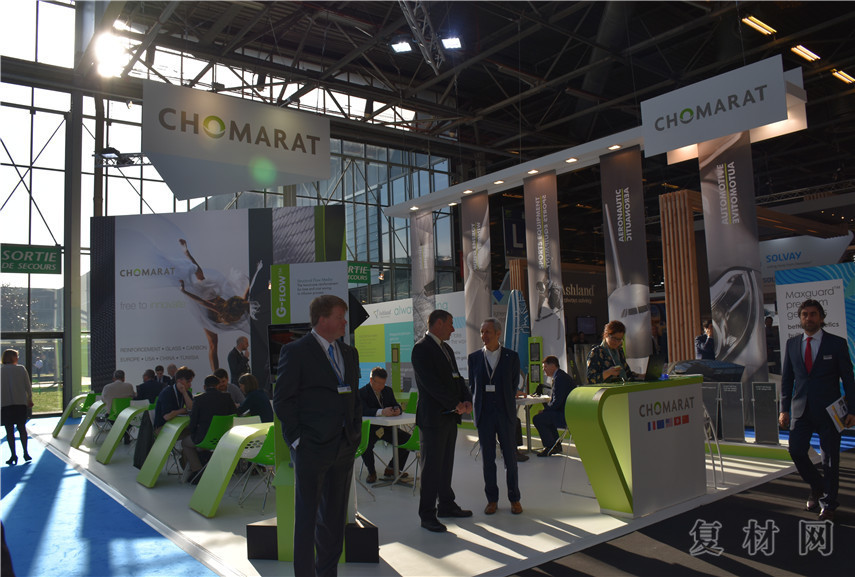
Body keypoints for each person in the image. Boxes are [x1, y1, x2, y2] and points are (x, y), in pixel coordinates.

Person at [272, 295, 361, 577]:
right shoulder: (296, 351)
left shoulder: (349, 353)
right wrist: (298, 440)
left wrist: (354, 434)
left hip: (343, 446)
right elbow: (282, 400)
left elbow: (354, 397)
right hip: (311, 448)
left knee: (334, 519)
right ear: (322, 319)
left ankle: (327, 573)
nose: (345, 323)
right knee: (307, 518)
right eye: (339, 317)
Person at [779, 299, 855, 522]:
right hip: (800, 410)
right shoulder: (792, 344)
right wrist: (784, 409)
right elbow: (787, 380)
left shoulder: (837, 344)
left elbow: (848, 378)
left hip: (829, 412)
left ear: (821, 318)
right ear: (800, 318)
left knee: (830, 459)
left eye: (813, 314)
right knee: (796, 451)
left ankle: (829, 504)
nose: (808, 318)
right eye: (805, 314)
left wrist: (852, 409)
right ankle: (817, 486)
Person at [411, 309, 473, 533]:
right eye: (450, 324)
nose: (453, 329)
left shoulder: (447, 349)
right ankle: (427, 514)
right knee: (431, 469)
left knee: (446, 465)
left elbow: (457, 378)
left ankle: (446, 504)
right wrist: (454, 403)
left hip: (449, 417)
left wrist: (466, 399)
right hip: (433, 419)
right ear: (438, 323)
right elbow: (430, 384)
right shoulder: (421, 349)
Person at [176, 238, 262, 371]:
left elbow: (246, 293)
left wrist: (184, 291)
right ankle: (187, 253)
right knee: (200, 276)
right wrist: (257, 271)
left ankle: (215, 373)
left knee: (213, 344)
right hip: (208, 307)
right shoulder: (224, 307)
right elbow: (202, 301)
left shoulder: (233, 312)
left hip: (212, 314)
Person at [468, 318, 523, 515]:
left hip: (505, 414)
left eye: (487, 332)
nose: (483, 335)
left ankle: (514, 499)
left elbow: (513, 384)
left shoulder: (511, 357)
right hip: (484, 416)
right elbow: (473, 386)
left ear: (498, 333)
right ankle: (492, 500)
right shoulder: (474, 358)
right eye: (482, 332)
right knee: (488, 460)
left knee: (510, 459)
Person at [358, 366, 411, 483]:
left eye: (383, 383)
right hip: (370, 429)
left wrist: (398, 410)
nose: (381, 386)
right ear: (371, 380)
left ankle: (392, 468)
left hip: (386, 428)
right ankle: (372, 472)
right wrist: (381, 412)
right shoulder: (362, 393)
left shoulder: (388, 391)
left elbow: (395, 404)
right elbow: (363, 411)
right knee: (366, 446)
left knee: (407, 439)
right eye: (378, 383)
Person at [182, 374, 236, 484]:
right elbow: (235, 416)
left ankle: (197, 470)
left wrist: (192, 431)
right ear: (218, 385)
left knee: (185, 443)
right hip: (224, 439)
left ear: (204, 387)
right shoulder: (227, 397)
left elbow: (193, 423)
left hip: (204, 439)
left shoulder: (199, 399)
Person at [534, 355, 575, 457]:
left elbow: (557, 402)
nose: (544, 370)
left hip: (565, 415)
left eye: (545, 367)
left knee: (538, 419)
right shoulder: (561, 376)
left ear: (553, 365)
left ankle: (550, 446)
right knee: (547, 416)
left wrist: (545, 410)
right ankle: (555, 445)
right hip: (568, 412)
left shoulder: (560, 378)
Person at [1, 349, 33, 465]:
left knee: (9, 431)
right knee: (22, 429)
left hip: (5, 404)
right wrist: (29, 398)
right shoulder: (21, 369)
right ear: (13, 358)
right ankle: (25, 452)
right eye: (17, 356)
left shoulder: (1, 370)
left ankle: (13, 455)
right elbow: (28, 386)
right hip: (20, 403)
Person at [153, 366, 195, 432]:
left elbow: (191, 409)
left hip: (175, 424)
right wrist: (181, 410)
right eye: (188, 382)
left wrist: (184, 393)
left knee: (193, 430)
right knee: (190, 433)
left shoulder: (186, 392)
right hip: (162, 427)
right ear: (179, 381)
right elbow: (167, 417)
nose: (190, 385)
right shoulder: (167, 393)